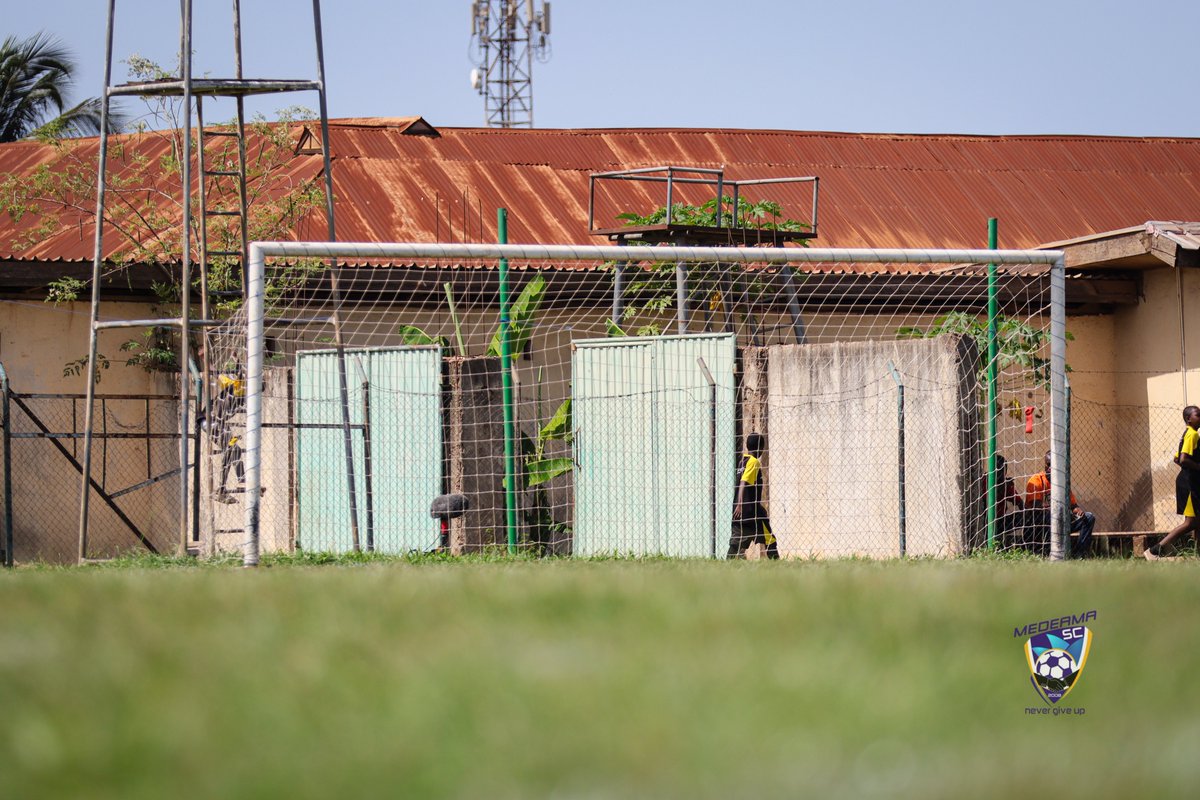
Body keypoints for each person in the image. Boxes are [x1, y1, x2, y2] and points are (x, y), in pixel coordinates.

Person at [1146, 405, 1200, 560]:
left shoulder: (1187, 434)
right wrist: (1197, 467)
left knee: (1198, 521)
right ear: (1189, 419)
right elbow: (1183, 459)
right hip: (1190, 484)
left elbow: (1176, 458)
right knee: (1190, 523)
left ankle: (1197, 556)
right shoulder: (1193, 435)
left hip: (1188, 481)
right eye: (1198, 414)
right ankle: (1154, 551)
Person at [1025, 451, 1096, 558]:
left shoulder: (1062, 483)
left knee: (1089, 517)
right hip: (1040, 525)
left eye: (1054, 466)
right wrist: (1060, 512)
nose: (1051, 468)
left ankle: (1080, 554)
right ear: (1045, 464)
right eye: (1049, 465)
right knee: (1049, 516)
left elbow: (1073, 506)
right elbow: (1037, 509)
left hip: (1061, 522)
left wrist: (1078, 511)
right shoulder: (1036, 480)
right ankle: (1049, 552)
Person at [728, 432, 779, 559]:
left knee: (737, 541)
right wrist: (741, 504)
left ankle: (730, 561)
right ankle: (776, 563)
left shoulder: (742, 462)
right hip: (751, 511)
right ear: (760, 448)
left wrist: (737, 505)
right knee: (770, 540)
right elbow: (743, 483)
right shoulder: (754, 462)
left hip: (740, 511)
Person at [994, 454, 1024, 546]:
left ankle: (1027, 544)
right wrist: (1003, 486)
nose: (1000, 473)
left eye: (1002, 470)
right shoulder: (985, 480)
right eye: (997, 469)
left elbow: (1020, 503)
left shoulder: (1007, 484)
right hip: (986, 520)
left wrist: (1027, 512)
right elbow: (988, 498)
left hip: (1001, 521)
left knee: (1027, 517)